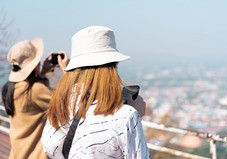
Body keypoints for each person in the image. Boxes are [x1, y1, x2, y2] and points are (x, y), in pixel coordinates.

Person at [41, 26, 150, 159]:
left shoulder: (60, 105)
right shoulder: (125, 116)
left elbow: (50, 148)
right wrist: (134, 114)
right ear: (111, 67)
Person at [1, 38, 69, 159]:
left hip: (16, 154)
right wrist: (67, 72)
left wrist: (43, 72)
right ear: (33, 65)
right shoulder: (35, 90)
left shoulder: (11, 88)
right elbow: (65, 104)